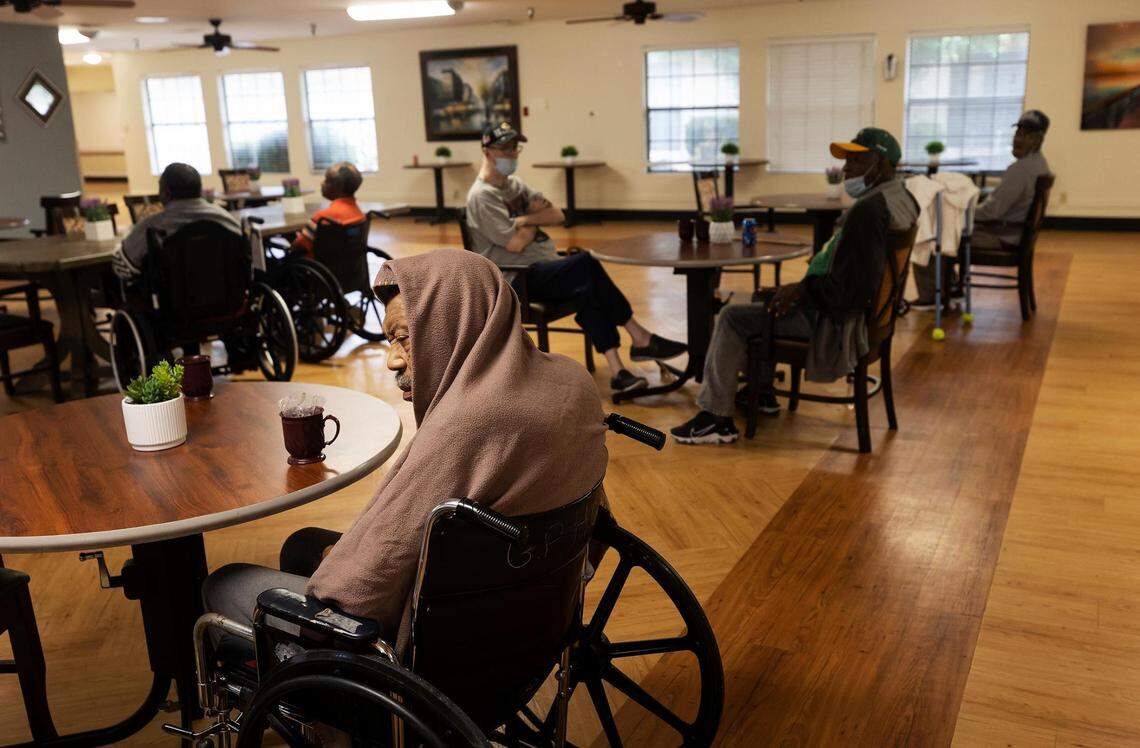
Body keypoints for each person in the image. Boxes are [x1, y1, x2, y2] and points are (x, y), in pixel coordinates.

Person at [201, 249, 610, 655]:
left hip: (443, 638)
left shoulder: (469, 425)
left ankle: (310, 690)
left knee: (224, 582)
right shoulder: (574, 383)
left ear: (457, 322)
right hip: (533, 602)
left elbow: (358, 591)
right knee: (302, 545)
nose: (392, 361)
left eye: (405, 338)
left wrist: (337, 568)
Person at [671, 128, 918, 445]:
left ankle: (716, 417)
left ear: (880, 163)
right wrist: (802, 288)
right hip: (868, 322)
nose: (845, 170)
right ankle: (761, 394)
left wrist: (802, 291)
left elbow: (846, 295)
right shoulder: (903, 199)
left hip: (837, 327)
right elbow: (856, 279)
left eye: (855, 161)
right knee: (768, 300)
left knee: (733, 316)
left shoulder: (869, 212)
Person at [465, 121, 686, 394]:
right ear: (487, 151)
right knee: (585, 264)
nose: (513, 154)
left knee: (589, 287)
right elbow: (514, 243)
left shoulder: (514, 186)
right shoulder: (482, 197)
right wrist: (532, 220)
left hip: (542, 267)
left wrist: (522, 219)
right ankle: (639, 336)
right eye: (506, 149)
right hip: (517, 278)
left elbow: (557, 215)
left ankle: (618, 370)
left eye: (515, 148)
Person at [910, 110, 1050, 308]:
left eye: (1026, 135)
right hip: (1013, 233)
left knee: (932, 234)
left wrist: (960, 211)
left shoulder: (1021, 170)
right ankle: (950, 289)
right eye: (1018, 133)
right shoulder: (1039, 165)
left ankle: (932, 296)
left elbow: (992, 212)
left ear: (1038, 140)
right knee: (947, 230)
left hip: (1001, 236)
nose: (1018, 139)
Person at [111, 162, 242, 280]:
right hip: (226, 300)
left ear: (165, 193)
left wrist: (119, 247)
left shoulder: (151, 226)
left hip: (171, 303)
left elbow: (122, 270)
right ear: (199, 190)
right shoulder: (224, 218)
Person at [288, 161, 366, 255]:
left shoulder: (323, 217)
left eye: (326, 180)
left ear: (338, 186)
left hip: (315, 265)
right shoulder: (359, 213)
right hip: (346, 265)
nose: (321, 183)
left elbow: (299, 246)